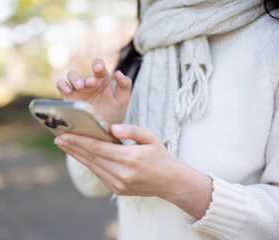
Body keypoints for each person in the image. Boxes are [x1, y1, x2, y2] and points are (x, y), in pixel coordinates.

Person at [54, 0, 279, 239]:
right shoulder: (144, 43)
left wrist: (175, 184)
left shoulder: (271, 39)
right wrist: (101, 130)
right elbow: (89, 186)